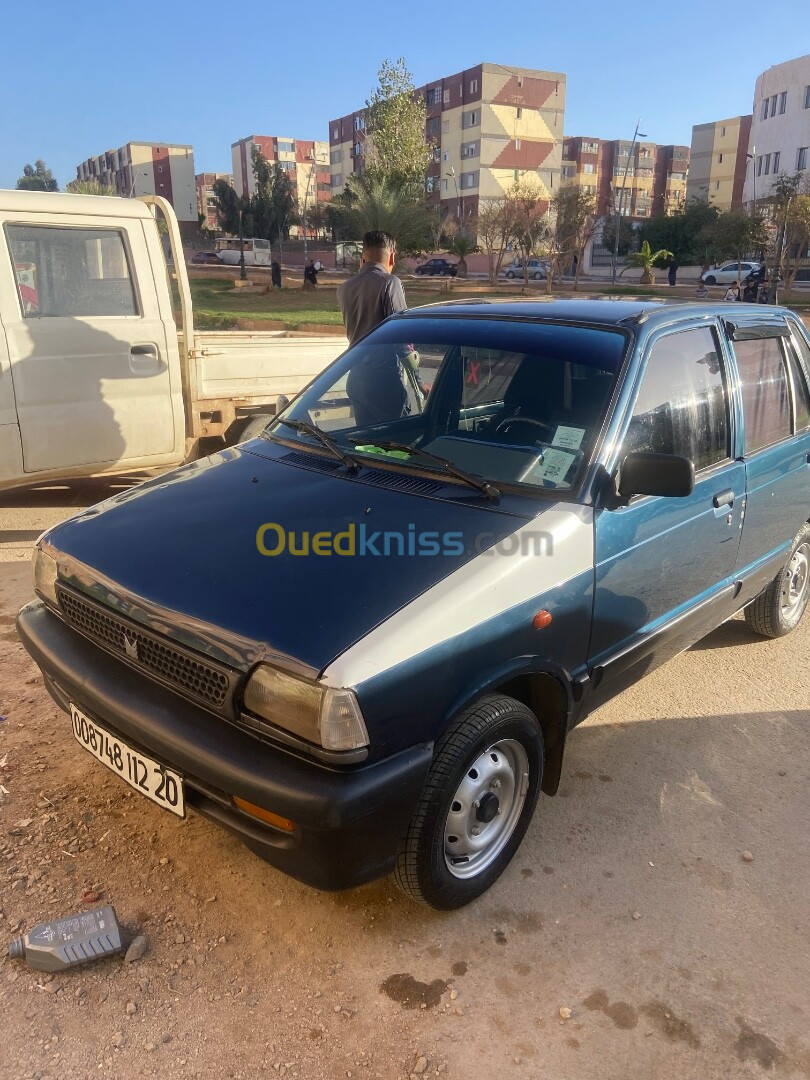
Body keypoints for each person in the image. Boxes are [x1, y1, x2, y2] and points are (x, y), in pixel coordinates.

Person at [337, 230, 406, 345]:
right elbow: (400, 331)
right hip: (384, 360)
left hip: (355, 358)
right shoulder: (390, 283)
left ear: (363, 259)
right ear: (392, 258)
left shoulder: (344, 288)